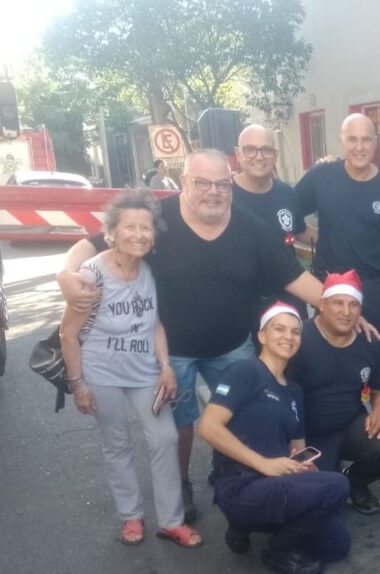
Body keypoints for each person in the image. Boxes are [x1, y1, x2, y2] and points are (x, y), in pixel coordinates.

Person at [56, 149, 325, 524]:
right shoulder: (157, 218)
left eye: (222, 184)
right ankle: (181, 482)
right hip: (173, 351)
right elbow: (91, 244)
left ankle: (234, 474)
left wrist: (341, 308)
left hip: (232, 345)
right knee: (179, 424)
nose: (213, 192)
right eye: (202, 183)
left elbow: (293, 275)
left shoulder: (252, 228)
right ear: (184, 183)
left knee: (244, 415)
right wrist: (66, 276)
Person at [58, 188, 201, 548]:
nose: (138, 234)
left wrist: (165, 366)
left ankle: (171, 521)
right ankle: (131, 517)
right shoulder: (92, 275)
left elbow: (154, 323)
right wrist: (78, 385)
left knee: (165, 438)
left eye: (146, 227)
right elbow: (68, 334)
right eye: (130, 227)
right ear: (112, 232)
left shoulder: (148, 272)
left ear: (154, 234)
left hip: (145, 372)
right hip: (101, 373)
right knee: (117, 443)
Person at [198, 302, 351, 574]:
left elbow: (298, 448)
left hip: (277, 484)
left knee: (337, 545)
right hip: (240, 485)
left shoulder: (294, 391)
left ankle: (249, 526)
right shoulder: (246, 372)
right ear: (262, 335)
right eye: (279, 329)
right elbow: (208, 427)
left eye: (295, 332)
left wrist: (306, 468)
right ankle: (276, 549)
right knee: (338, 484)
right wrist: (263, 464)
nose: (288, 337)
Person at [295, 113, 380, 367]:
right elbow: (288, 216)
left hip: (374, 290)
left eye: (366, 140)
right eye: (352, 139)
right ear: (341, 141)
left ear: (376, 142)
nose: (359, 147)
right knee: (327, 359)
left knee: (374, 357)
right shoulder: (321, 176)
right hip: (329, 286)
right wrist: (321, 236)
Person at [288, 271, 380, 515]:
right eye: (338, 303)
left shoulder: (370, 340)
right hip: (308, 437)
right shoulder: (298, 338)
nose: (346, 312)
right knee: (318, 503)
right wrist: (292, 445)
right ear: (321, 304)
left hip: (350, 427)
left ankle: (355, 483)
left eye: (353, 305)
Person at [232, 124, 315, 315]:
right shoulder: (223, 195)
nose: (259, 156)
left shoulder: (286, 193)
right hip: (244, 303)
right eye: (250, 149)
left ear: (275, 155)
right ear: (238, 154)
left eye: (266, 150)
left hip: (288, 297)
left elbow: (299, 231)